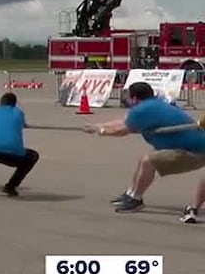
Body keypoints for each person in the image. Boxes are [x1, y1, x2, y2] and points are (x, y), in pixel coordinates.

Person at [85, 81, 205, 222]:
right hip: (187, 147)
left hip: (195, 151)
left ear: (134, 98)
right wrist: (97, 126)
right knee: (143, 160)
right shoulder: (153, 104)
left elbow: (123, 130)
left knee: (148, 162)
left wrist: (101, 131)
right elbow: (125, 121)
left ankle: (136, 200)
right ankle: (130, 194)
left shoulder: (143, 110)